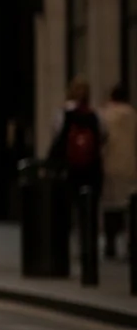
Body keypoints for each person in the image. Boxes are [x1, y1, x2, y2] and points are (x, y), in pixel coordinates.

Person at [50, 77, 107, 231]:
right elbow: (103, 136)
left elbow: (56, 136)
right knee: (89, 209)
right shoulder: (95, 115)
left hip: (68, 168)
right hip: (91, 168)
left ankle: (64, 243)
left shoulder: (63, 113)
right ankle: (88, 245)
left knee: (65, 207)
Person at [100, 84, 135, 258]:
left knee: (111, 207)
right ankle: (130, 244)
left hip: (110, 165)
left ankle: (110, 244)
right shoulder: (132, 115)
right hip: (130, 167)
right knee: (130, 206)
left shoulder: (106, 114)